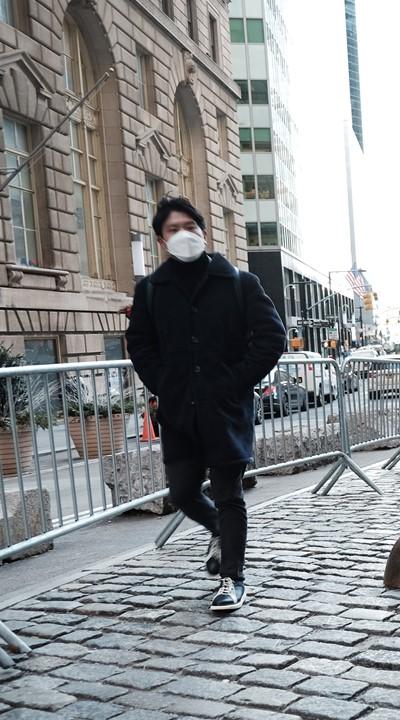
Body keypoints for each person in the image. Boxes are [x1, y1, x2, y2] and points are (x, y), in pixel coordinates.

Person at [126, 197, 286, 613]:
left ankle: (233, 578)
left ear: (203, 230)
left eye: (189, 226)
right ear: (161, 240)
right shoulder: (150, 291)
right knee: (181, 492)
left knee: (228, 492)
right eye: (173, 228)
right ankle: (219, 530)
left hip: (226, 410)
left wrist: (235, 382)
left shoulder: (238, 282)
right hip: (179, 412)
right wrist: (163, 383)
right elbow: (140, 344)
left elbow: (272, 337)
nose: (183, 234)